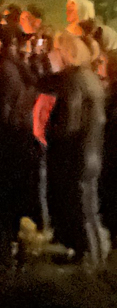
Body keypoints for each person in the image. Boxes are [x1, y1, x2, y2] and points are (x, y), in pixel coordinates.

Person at [0, 26, 39, 267]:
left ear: (0, 43)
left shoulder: (4, 72)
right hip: (16, 143)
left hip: (4, 146)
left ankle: (2, 255)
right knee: (13, 200)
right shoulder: (15, 68)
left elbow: (2, 111)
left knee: (1, 201)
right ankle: (13, 249)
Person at [46, 34, 107, 264]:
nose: (51, 55)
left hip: (76, 154)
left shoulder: (72, 81)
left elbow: (68, 123)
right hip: (93, 151)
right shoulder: (90, 77)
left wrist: (49, 131)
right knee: (89, 209)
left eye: (55, 49)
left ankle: (89, 260)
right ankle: (95, 256)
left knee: (80, 209)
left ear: (65, 53)